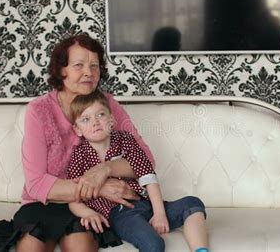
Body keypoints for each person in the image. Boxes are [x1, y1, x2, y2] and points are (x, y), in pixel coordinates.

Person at [0, 34, 155, 252]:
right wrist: (96, 187)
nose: (88, 73)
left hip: (89, 207)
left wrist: (106, 168)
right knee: (31, 245)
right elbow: (36, 183)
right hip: (45, 203)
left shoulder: (107, 105)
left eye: (94, 65)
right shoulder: (39, 110)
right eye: (78, 65)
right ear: (61, 70)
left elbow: (146, 159)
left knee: (79, 245)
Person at [66, 90, 210, 252]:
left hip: (146, 204)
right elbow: (74, 196)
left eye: (100, 115)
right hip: (120, 214)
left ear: (111, 120)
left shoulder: (125, 140)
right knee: (154, 243)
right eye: (86, 119)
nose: (95, 122)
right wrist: (87, 213)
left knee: (193, 202)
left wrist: (159, 213)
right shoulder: (79, 155)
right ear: (77, 129)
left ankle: (201, 249)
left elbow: (147, 175)